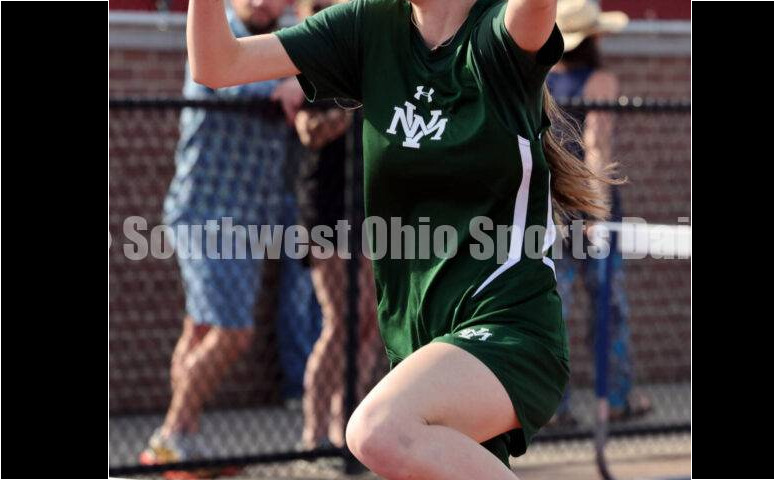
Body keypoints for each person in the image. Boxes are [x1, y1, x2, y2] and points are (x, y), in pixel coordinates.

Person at [185, 0, 621, 476]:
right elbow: (216, 64)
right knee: (392, 435)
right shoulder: (368, 24)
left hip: (508, 328)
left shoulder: (501, 32)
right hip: (418, 340)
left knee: (376, 429)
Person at [140, 0, 308, 465]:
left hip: (251, 215)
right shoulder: (218, 33)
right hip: (204, 211)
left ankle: (184, 437)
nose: (262, 2)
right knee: (232, 333)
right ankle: (170, 435)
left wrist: (303, 81)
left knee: (200, 328)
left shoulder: (288, 45)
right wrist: (302, 81)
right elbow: (240, 81)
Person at [544, 0, 651, 427]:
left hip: (551, 209)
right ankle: (620, 398)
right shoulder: (601, 81)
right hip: (589, 211)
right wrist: (597, 213)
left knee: (557, 308)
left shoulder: (540, 82)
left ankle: (553, 405)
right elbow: (597, 147)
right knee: (609, 306)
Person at [289, 0, 386, 451]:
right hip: (325, 208)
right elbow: (308, 130)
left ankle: (343, 424)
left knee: (368, 322)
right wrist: (351, 108)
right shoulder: (316, 62)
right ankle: (313, 432)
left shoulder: (372, 61)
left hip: (366, 207)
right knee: (340, 318)